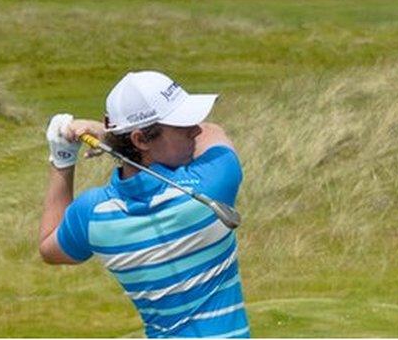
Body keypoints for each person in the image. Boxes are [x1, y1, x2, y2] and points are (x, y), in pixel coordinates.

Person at [38, 70, 251, 338]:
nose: (195, 129)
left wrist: (63, 159)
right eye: (182, 125)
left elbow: (49, 247)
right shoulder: (211, 185)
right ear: (140, 139)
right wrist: (106, 133)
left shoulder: (93, 214)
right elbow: (213, 132)